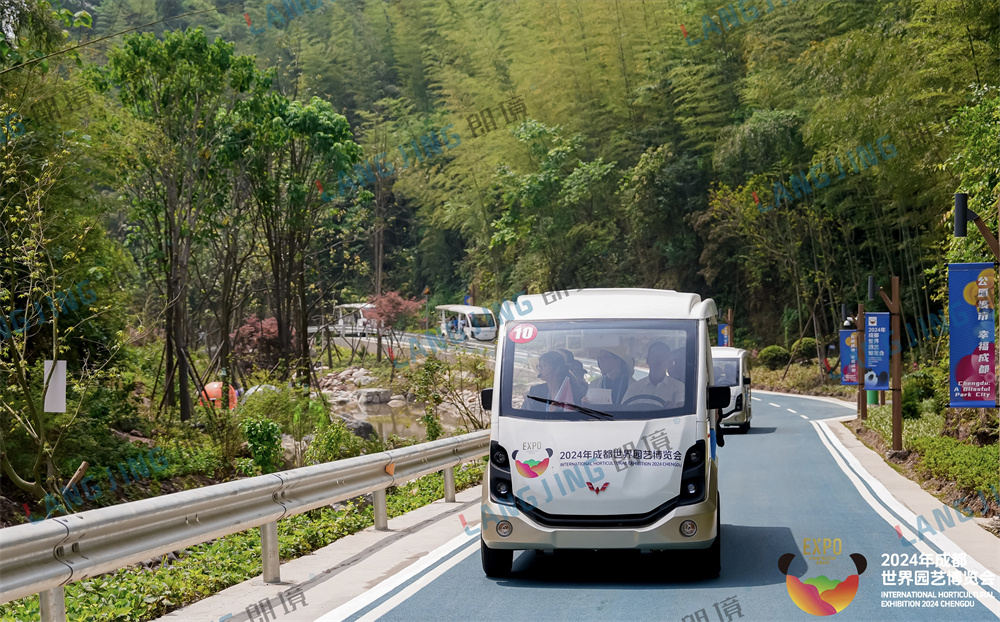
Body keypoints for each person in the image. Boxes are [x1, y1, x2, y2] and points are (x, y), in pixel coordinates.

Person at [623, 342, 685, 408]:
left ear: (668, 361)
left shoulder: (678, 387)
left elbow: (682, 410)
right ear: (647, 360)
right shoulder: (634, 388)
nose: (658, 360)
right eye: (654, 356)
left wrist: (674, 408)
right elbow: (623, 411)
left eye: (662, 357)